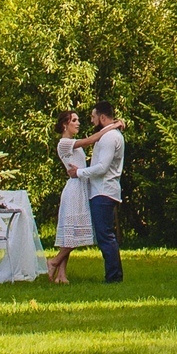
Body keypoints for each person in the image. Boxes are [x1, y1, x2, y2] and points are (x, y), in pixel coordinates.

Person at [79, 100, 126, 284]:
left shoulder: (109, 138)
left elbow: (102, 167)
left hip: (104, 191)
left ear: (103, 117)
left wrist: (80, 173)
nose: (91, 120)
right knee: (104, 234)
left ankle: (114, 276)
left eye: (93, 117)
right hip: (102, 190)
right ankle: (113, 274)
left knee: (105, 235)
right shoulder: (108, 135)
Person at [48, 111, 92, 285]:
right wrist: (111, 126)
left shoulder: (74, 144)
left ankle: (62, 275)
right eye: (74, 120)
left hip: (80, 188)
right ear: (65, 124)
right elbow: (90, 141)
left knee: (70, 234)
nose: (78, 123)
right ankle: (54, 261)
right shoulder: (64, 143)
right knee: (74, 233)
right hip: (74, 190)